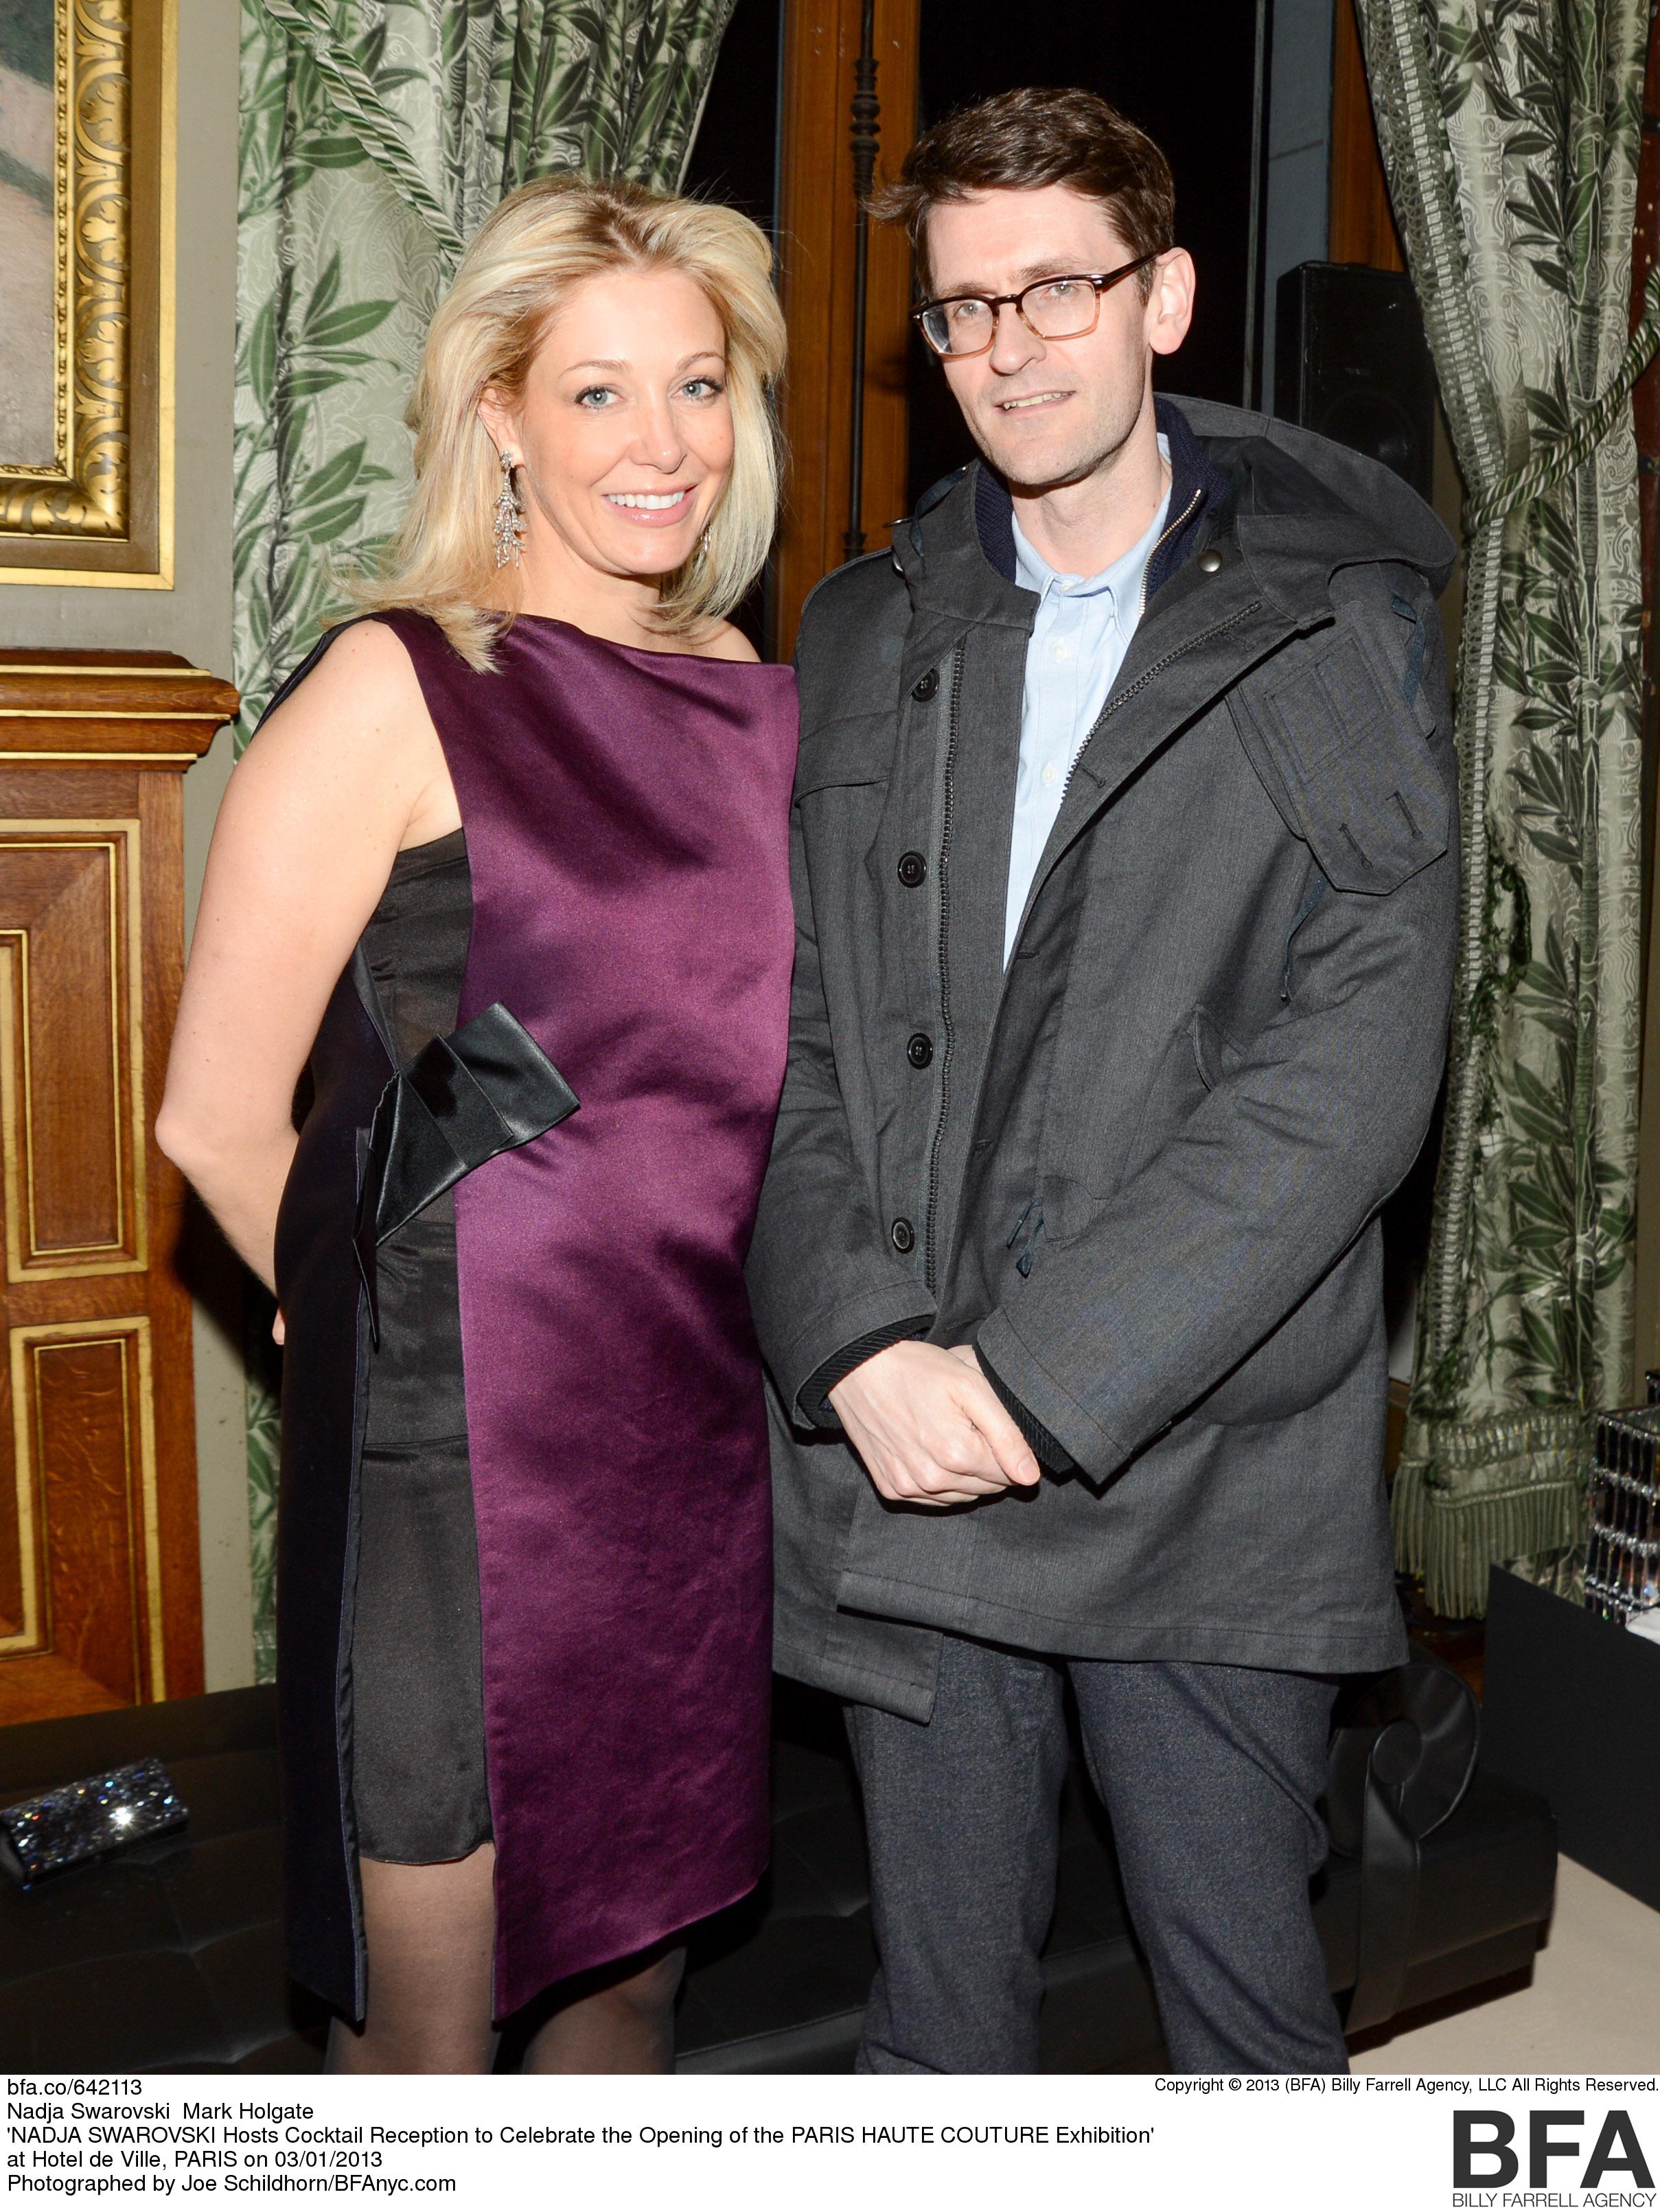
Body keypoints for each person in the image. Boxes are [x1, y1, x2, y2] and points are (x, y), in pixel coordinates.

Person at [746, 84, 1458, 2073]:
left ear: (1165, 299)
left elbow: (1352, 1070)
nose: (1007, 347)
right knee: (940, 2042)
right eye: (963, 307)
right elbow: (790, 1029)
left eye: (1056, 288)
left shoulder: (1336, 619)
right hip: (905, 1438)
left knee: (1244, 2035)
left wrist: (1037, 1381)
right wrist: (853, 1343)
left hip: (1200, 1451)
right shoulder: (865, 628)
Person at [159, 176, 795, 2073]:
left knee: (634, 1974)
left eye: (697, 385)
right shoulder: (400, 682)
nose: (661, 442)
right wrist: (350, 1311)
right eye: (598, 392)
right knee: (423, 2040)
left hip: (688, 1417)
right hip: (458, 1440)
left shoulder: (751, 690)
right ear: (500, 414)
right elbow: (213, 1115)